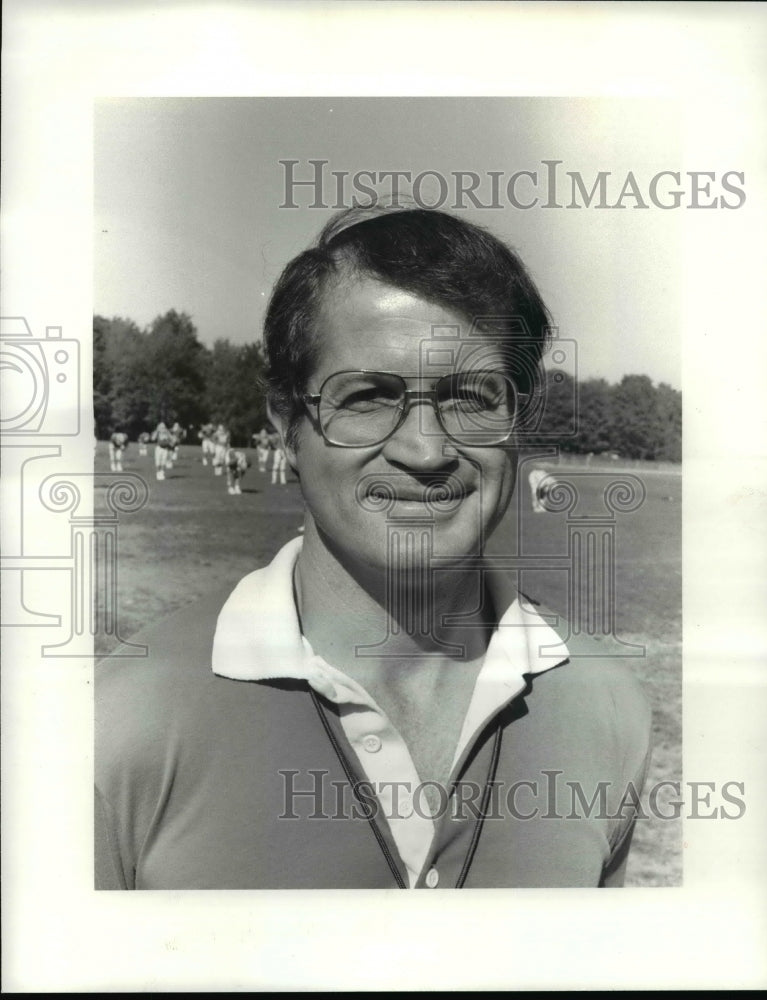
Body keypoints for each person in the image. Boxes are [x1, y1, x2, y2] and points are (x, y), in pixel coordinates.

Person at [96, 203, 652, 890]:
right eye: (367, 396)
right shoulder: (119, 722)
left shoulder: (603, 707)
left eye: (473, 397)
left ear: (517, 422)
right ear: (287, 427)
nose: (426, 449)